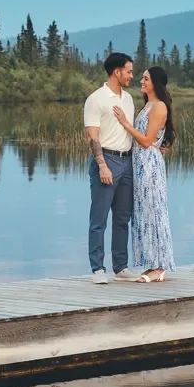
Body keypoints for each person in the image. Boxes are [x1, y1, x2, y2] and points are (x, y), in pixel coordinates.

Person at [114, 65, 174, 282]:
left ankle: (160, 267)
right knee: (143, 213)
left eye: (146, 78)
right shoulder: (147, 105)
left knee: (154, 211)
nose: (141, 81)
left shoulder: (158, 107)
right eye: (142, 77)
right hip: (139, 165)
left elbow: (147, 141)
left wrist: (124, 123)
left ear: (155, 82)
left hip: (149, 165)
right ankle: (151, 264)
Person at [84, 52, 137, 283]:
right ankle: (97, 269)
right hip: (106, 161)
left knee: (122, 218)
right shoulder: (96, 99)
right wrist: (102, 166)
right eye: (129, 71)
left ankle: (121, 267)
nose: (131, 76)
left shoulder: (129, 99)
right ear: (117, 72)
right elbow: (92, 137)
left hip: (127, 161)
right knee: (99, 219)